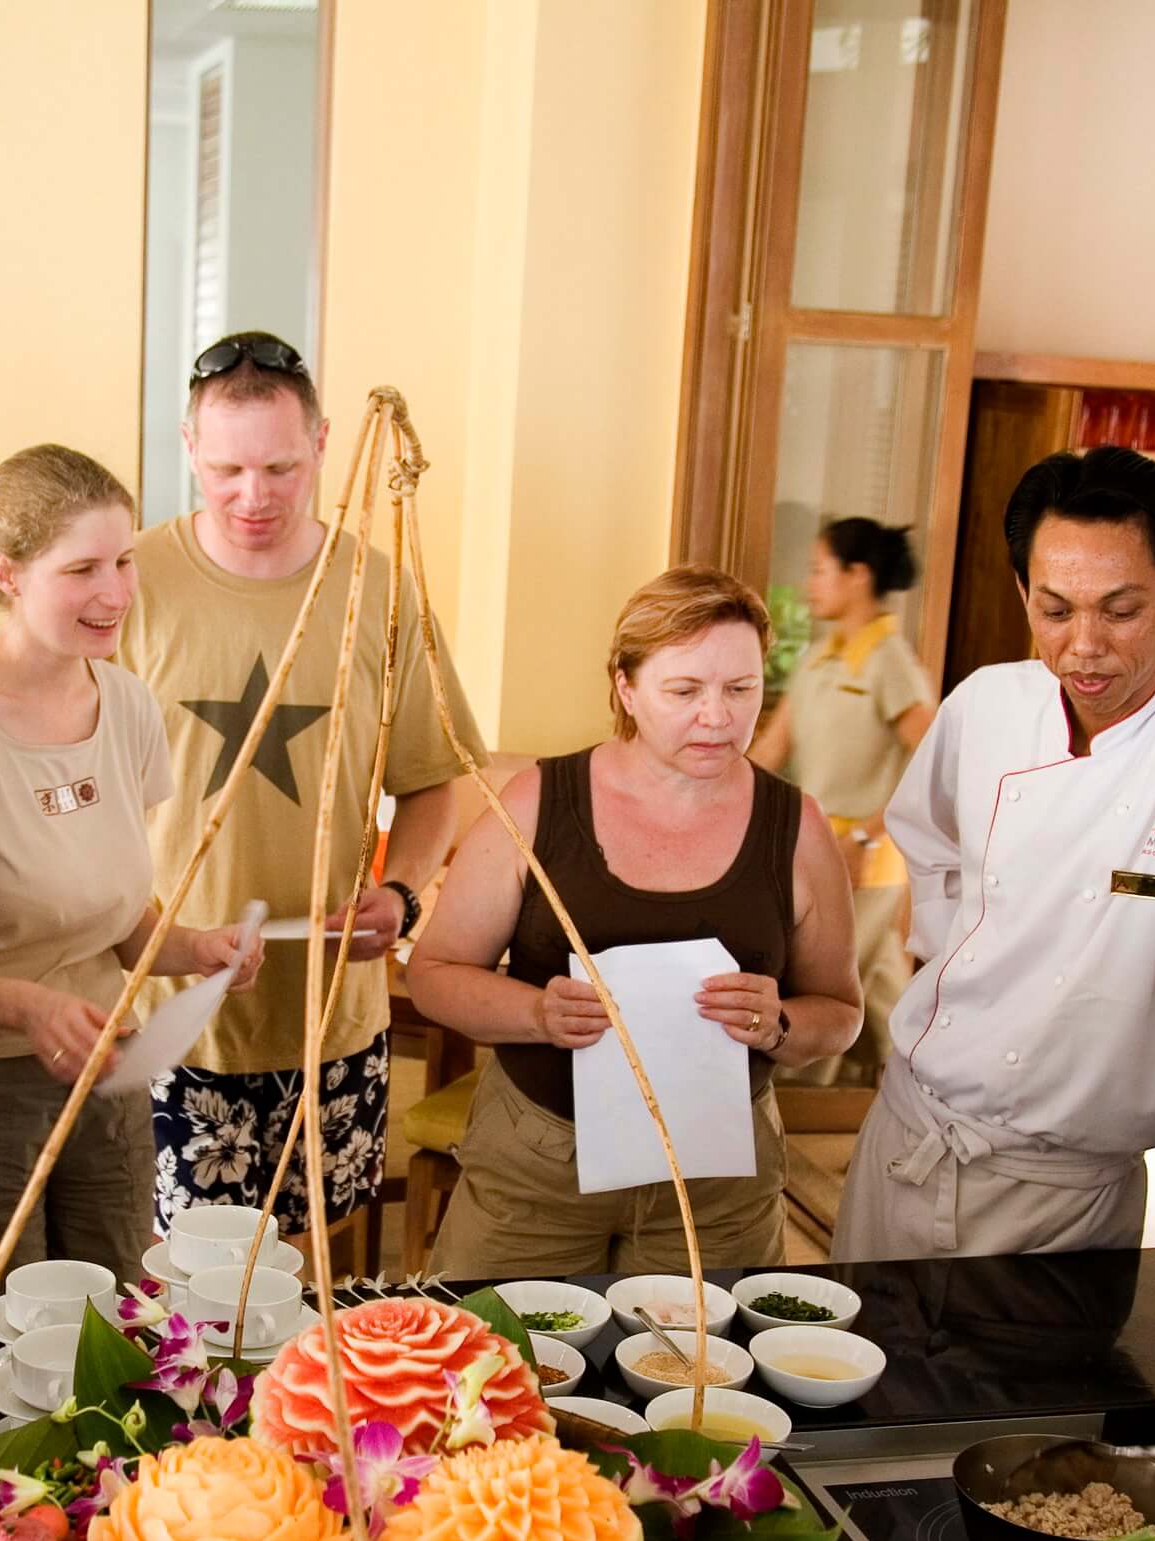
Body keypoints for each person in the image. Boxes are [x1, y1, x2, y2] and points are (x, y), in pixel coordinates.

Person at [828, 447, 1155, 1396]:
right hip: (903, 1146)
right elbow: (929, 839)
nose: (1085, 647)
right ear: (1023, 591)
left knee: (1012, 1449)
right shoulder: (987, 703)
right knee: (852, 1415)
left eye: (1121, 609)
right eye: (1055, 609)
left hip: (1060, 1200)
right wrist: (958, 968)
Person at [0, 446, 261, 1340]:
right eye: (81, 569)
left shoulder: (128, 706)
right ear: (7, 573)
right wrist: (27, 1008)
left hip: (107, 1074)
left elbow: (113, 919)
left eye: (123, 562)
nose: (115, 592)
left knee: (110, 1333)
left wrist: (192, 948)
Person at [119, 332, 486, 1241]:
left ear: (323, 445)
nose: (254, 496)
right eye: (228, 468)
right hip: (172, 1015)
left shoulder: (380, 590)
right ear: (187, 447)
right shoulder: (129, 585)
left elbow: (437, 778)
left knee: (314, 1282)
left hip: (332, 1013)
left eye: (281, 467)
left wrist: (403, 889)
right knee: (181, 1293)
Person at [407, 567, 861, 1280]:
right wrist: (535, 1012)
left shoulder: (795, 824)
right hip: (540, 1165)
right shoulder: (538, 800)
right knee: (499, 1370)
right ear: (625, 686)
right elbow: (432, 975)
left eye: (741, 690)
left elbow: (840, 1012)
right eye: (684, 691)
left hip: (719, 1179)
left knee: (704, 1381)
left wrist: (778, 1024)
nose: (718, 717)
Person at [751, 515, 938, 1084]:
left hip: (867, 859)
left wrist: (863, 836)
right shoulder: (821, 658)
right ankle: (927, 1086)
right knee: (880, 992)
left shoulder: (889, 663)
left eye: (819, 570)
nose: (809, 584)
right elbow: (769, 750)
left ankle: (800, 1104)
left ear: (858, 576)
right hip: (817, 849)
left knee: (821, 993)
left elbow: (934, 763)